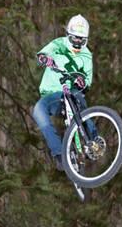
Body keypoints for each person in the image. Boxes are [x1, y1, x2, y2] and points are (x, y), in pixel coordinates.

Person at [32, 14, 98, 171]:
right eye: (74, 38)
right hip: (53, 94)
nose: (77, 43)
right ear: (68, 35)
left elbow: (87, 80)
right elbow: (43, 54)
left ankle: (94, 141)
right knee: (38, 111)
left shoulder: (86, 55)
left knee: (79, 103)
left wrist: (82, 82)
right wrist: (44, 59)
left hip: (72, 92)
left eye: (81, 40)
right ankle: (59, 154)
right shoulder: (59, 44)